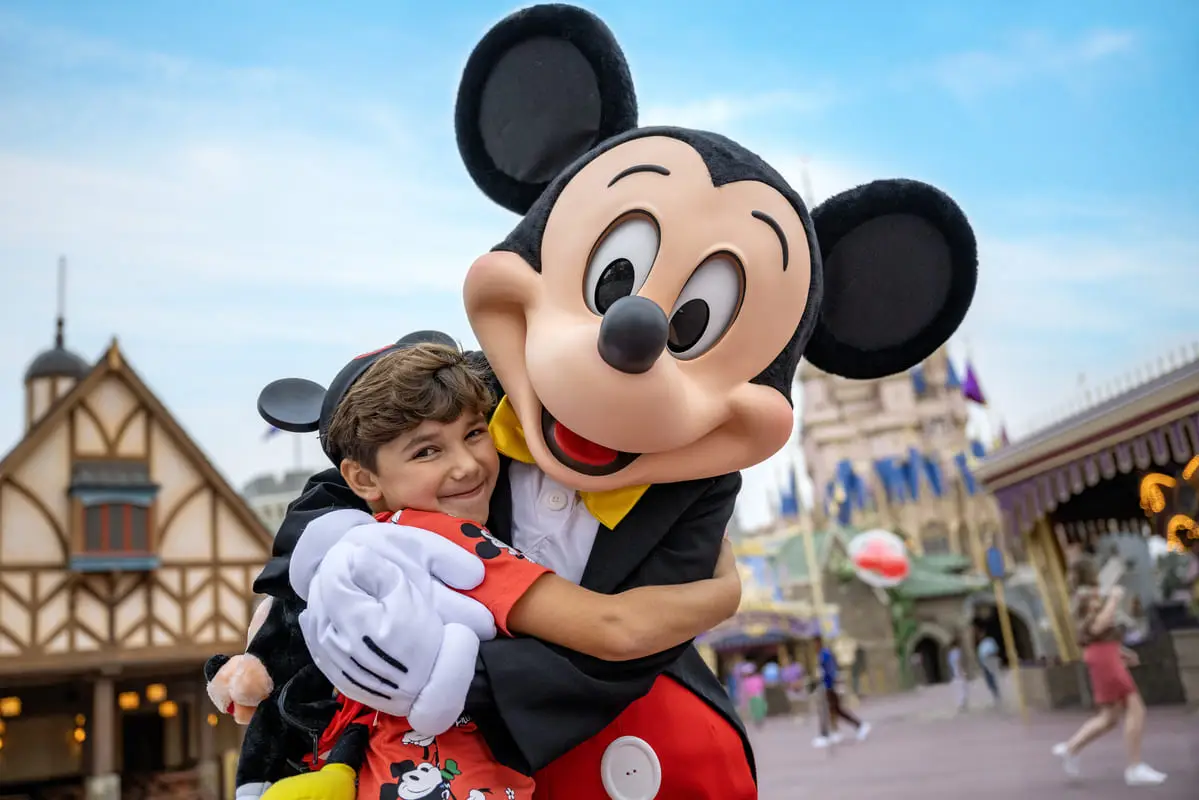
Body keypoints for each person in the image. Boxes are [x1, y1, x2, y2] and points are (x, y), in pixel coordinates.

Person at [215, 6, 980, 797]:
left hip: (603, 741)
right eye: (615, 281)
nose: (636, 329)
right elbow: (346, 481)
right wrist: (336, 558)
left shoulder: (697, 489)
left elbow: (620, 647)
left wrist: (455, 679)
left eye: (689, 326)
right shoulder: (481, 390)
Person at [258, 343, 743, 799]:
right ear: (361, 478)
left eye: (474, 433)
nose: (466, 465)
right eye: (427, 451)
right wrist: (722, 596)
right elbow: (611, 628)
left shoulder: (362, 548)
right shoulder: (446, 541)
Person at [1052, 559, 1167, 787]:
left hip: (1105, 655)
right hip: (1104, 658)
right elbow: (1097, 626)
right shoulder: (1086, 597)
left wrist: (1121, 652)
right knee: (1136, 708)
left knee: (1110, 717)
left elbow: (1098, 635)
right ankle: (1134, 768)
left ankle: (1071, 748)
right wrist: (1114, 598)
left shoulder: (1085, 596)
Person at [812, 635, 870, 748]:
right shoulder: (823, 654)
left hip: (829, 686)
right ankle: (839, 730)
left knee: (828, 710)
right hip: (829, 685)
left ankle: (826, 734)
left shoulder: (825, 654)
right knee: (834, 710)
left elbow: (830, 671)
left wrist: (829, 684)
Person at [973, 621, 1002, 706]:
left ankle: (998, 696)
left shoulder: (989, 641)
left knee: (994, 679)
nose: (979, 635)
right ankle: (994, 696)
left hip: (990, 661)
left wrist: (992, 658)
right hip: (984, 664)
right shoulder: (980, 644)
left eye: (980, 633)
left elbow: (995, 650)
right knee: (989, 681)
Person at [947, 639, 968, 712]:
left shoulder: (950, 654)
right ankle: (962, 704)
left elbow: (950, 665)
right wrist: (962, 671)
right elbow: (958, 662)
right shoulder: (957, 652)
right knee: (963, 687)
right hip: (958, 671)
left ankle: (959, 703)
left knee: (957, 688)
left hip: (954, 673)